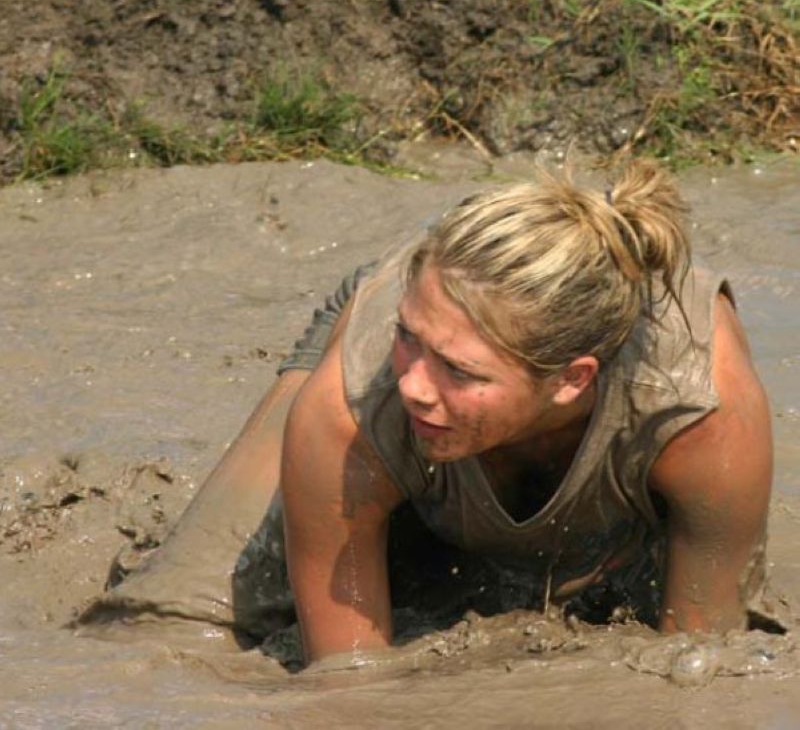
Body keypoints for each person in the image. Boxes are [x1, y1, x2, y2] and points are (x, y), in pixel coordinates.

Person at [78, 159, 782, 667]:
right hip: (381, 358)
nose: (414, 383)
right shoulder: (358, 398)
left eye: (458, 372)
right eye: (409, 343)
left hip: (610, 411)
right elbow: (348, 685)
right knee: (171, 625)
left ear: (572, 381)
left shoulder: (698, 411)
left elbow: (701, 661)